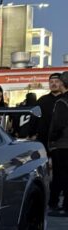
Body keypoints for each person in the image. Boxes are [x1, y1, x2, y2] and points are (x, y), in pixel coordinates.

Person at [47, 72, 68, 216]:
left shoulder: (62, 102)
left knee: (60, 176)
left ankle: (56, 205)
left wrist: (52, 139)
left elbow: (58, 125)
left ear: (62, 84)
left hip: (62, 144)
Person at [36, 73, 65, 151]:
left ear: (62, 83)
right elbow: (35, 118)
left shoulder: (65, 99)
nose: (54, 84)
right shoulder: (42, 100)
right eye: (51, 82)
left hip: (62, 141)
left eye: (56, 81)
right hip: (43, 140)